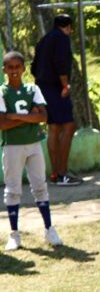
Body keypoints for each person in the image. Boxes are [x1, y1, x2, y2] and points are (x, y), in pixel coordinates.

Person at [0, 51, 62, 250]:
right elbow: (2, 124)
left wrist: (14, 116)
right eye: (10, 67)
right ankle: (14, 233)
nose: (14, 71)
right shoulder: (2, 92)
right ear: (4, 70)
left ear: (24, 69)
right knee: (12, 189)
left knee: (40, 186)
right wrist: (28, 116)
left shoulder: (32, 88)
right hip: (12, 146)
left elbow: (43, 117)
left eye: (17, 67)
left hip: (34, 144)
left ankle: (49, 229)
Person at [31, 14, 80, 186]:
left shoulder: (44, 40)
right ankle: (62, 173)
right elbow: (60, 62)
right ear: (68, 27)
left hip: (43, 87)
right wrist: (65, 85)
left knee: (54, 128)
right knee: (68, 126)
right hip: (56, 88)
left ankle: (55, 174)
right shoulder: (62, 38)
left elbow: (33, 67)